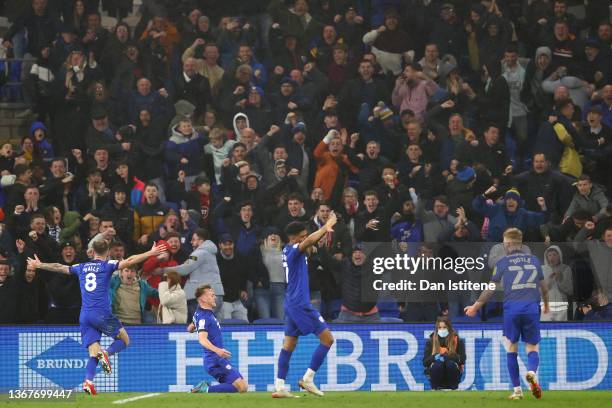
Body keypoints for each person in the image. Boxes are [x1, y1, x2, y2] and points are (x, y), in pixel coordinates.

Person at [27, 240, 167, 395]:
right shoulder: (107, 266)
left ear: (92, 252)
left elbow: (59, 267)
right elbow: (130, 260)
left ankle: (88, 382)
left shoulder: (81, 267)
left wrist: (40, 265)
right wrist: (151, 253)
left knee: (93, 352)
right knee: (124, 340)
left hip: (85, 315)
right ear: (107, 253)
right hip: (101, 313)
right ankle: (106, 353)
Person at [465, 228, 549, 400]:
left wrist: (475, 306)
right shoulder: (534, 260)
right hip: (532, 307)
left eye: (504, 242)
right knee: (532, 347)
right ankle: (532, 372)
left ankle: (517, 390)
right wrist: (546, 305)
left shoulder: (502, 262)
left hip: (512, 308)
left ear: (509, 243)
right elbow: (543, 287)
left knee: (512, 348)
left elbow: (490, 289)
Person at [272, 213, 337, 398]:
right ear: (294, 238)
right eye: (303, 235)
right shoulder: (293, 250)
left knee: (289, 345)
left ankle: (279, 386)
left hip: (291, 303)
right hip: (300, 303)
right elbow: (308, 241)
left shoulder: (290, 250)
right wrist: (327, 226)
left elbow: (308, 245)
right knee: (328, 340)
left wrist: (312, 247)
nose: (306, 238)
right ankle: (308, 379)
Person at [189, 284, 248, 393]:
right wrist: (218, 350)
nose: (215, 297)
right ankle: (205, 389)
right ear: (203, 299)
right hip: (215, 360)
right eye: (212, 295)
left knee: (243, 386)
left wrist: (194, 326)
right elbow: (202, 339)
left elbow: (190, 328)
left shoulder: (199, 313)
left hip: (217, 359)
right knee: (242, 387)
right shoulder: (204, 317)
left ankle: (205, 388)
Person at [423, 316, 465, 390]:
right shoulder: (431, 341)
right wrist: (434, 357)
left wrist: (448, 357)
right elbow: (425, 362)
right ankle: (436, 388)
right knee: (438, 364)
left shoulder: (458, 340)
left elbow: (462, 358)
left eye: (444, 327)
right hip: (435, 371)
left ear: (449, 327)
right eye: (439, 327)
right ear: (437, 328)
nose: (442, 329)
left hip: (453, 371)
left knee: (450, 364)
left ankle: (453, 388)